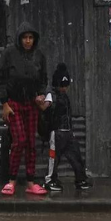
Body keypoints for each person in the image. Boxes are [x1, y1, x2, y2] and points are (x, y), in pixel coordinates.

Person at [0, 22, 49, 196]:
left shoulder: (39, 55)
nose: (28, 41)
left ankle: (31, 182)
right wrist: (4, 104)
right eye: (25, 38)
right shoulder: (9, 54)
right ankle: (11, 181)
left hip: (31, 103)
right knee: (19, 141)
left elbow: (43, 79)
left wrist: (41, 94)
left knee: (31, 143)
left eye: (31, 38)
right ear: (20, 39)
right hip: (14, 104)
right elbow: (1, 80)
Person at [41, 63, 91, 192]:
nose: (64, 88)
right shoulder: (52, 94)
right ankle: (50, 180)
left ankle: (81, 179)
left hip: (68, 132)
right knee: (54, 158)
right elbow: (44, 107)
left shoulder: (64, 96)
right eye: (62, 86)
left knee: (76, 157)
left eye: (66, 86)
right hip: (57, 132)